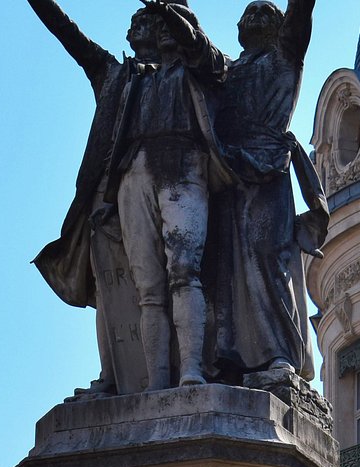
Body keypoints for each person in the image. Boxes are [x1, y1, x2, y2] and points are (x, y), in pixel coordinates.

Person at [28, 0, 161, 396]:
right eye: (135, 21)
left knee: (154, 281)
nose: (136, 24)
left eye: (147, 20)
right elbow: (68, 33)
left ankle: (156, 375)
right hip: (105, 190)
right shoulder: (109, 73)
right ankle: (111, 377)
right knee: (107, 286)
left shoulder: (182, 73)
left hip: (155, 185)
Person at [109, 1, 231, 389]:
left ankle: (191, 368)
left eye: (172, 23)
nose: (164, 29)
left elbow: (197, 46)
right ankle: (157, 380)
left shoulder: (204, 66)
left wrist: (168, 8)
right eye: (160, 22)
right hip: (137, 168)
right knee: (148, 287)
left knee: (184, 271)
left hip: (182, 164)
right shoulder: (139, 79)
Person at [210, 0, 328, 383]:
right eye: (251, 12)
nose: (259, 16)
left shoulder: (285, 55)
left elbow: (300, 11)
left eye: (267, 12)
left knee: (268, 256)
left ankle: (281, 352)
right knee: (225, 265)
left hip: (269, 168)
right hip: (227, 173)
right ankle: (228, 354)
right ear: (240, 27)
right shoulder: (225, 72)